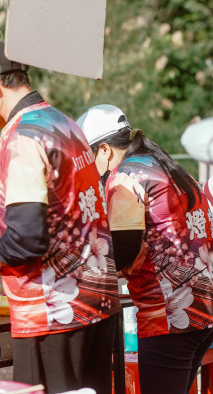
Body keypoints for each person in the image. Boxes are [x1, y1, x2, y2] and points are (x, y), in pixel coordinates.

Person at [0, 41, 121, 393]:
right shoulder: (63, 123)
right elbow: (60, 206)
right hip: (98, 302)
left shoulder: (21, 138)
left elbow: (26, 238)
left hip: (53, 313)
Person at [77, 104, 213, 394]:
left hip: (170, 317)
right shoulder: (168, 168)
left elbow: (125, 247)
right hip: (203, 309)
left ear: (104, 150)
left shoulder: (124, 177)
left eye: (87, 157)